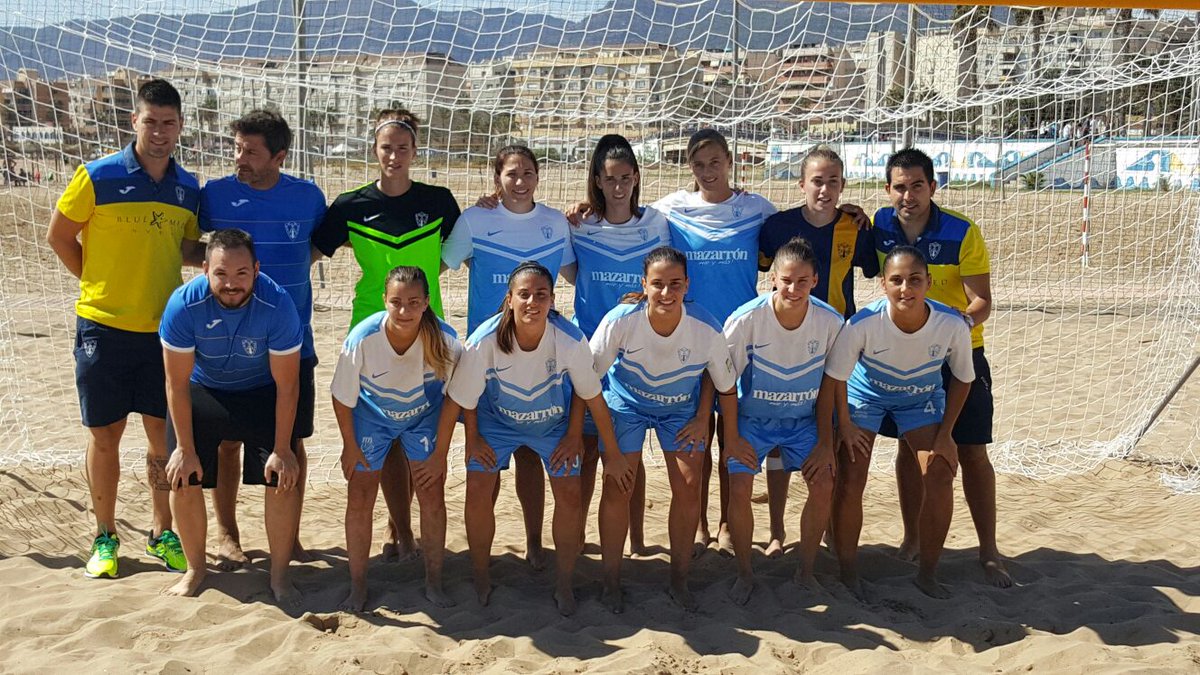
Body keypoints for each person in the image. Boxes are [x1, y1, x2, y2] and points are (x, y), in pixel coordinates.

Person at [46, 77, 202, 579]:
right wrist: (98, 284)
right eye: (150, 121)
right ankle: (105, 535)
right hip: (103, 329)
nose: (159, 132)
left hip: (164, 334)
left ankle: (162, 532)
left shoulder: (188, 188)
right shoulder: (97, 175)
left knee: (161, 438)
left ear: (180, 127)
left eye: (169, 123)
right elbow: (59, 236)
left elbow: (186, 249)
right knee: (106, 435)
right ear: (134, 121)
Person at [433, 261, 633, 616]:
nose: (532, 302)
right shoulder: (484, 341)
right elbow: (459, 400)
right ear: (509, 299)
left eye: (541, 294)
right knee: (478, 485)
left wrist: (587, 441)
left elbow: (591, 398)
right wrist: (458, 446)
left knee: (570, 495)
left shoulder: (569, 339)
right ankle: (481, 576)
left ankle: (564, 584)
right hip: (496, 423)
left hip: (552, 423)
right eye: (523, 294)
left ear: (553, 300)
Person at [313, 108, 462, 561]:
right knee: (384, 435)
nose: (394, 155)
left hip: (426, 329)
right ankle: (402, 532)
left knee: (418, 431)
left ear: (415, 151)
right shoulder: (350, 205)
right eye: (386, 148)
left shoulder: (439, 201)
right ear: (374, 152)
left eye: (403, 147)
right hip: (371, 329)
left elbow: (462, 249)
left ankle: (414, 533)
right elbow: (309, 253)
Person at [871, 148, 1010, 587]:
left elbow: (982, 303)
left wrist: (948, 329)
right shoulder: (879, 226)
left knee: (970, 450)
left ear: (933, 187)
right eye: (900, 186)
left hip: (959, 355)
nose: (908, 194)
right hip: (904, 359)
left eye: (917, 185)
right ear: (888, 190)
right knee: (909, 451)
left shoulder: (961, 230)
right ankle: (913, 538)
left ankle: (988, 549)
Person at [198, 109, 326, 570]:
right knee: (226, 442)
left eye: (250, 151)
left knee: (290, 441)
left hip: (293, 344)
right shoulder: (213, 195)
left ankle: (287, 538)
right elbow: (194, 246)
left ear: (279, 156)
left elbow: (319, 244)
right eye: (236, 148)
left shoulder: (308, 198)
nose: (240, 158)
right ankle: (227, 536)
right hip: (224, 343)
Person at [442, 145, 575, 570]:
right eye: (511, 174)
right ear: (496, 178)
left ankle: (535, 543)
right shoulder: (475, 220)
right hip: (486, 360)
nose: (520, 182)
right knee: (485, 460)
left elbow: (575, 272)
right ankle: (484, 554)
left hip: (540, 355)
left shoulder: (555, 223)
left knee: (531, 457)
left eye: (528, 173)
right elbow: (440, 265)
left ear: (539, 177)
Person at [159, 229, 304, 602]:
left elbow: (287, 387)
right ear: (205, 269)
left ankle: (279, 576)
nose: (231, 283)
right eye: (221, 273)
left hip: (261, 391)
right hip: (204, 389)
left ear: (256, 269)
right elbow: (175, 384)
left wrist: (283, 448)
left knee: (283, 475)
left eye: (242, 273)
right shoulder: (182, 305)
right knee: (181, 473)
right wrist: (184, 448)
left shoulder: (279, 305)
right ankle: (195, 570)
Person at [589, 246, 737, 611]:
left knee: (689, 487)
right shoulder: (622, 319)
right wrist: (604, 441)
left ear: (687, 284)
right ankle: (611, 582)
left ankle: (679, 580)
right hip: (627, 406)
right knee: (617, 484)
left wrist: (706, 420)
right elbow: (587, 381)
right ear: (645, 284)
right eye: (658, 285)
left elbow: (723, 385)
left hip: (680, 411)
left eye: (675, 284)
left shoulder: (705, 327)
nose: (666, 293)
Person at [825, 246, 973, 599]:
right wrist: (844, 424)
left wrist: (947, 434)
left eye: (914, 280)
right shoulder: (862, 324)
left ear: (929, 283)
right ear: (883, 285)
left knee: (939, 472)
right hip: (866, 395)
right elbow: (836, 377)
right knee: (852, 472)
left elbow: (963, 378)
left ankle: (927, 573)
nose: (906, 288)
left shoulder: (951, 324)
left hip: (920, 397)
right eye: (897, 281)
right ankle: (847, 573)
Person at [756, 146, 879, 558]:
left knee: (831, 434)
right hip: (785, 343)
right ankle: (775, 530)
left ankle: (824, 529)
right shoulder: (777, 226)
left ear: (843, 186)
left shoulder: (855, 227)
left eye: (833, 181)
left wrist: (862, 217)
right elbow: (759, 267)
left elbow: (875, 269)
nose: (824, 189)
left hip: (839, 343)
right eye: (817, 180)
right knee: (777, 438)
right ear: (802, 184)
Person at [331, 266, 460, 611]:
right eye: (396, 302)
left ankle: (434, 582)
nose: (404, 311)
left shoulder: (446, 340)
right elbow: (342, 396)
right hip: (372, 417)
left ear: (427, 302)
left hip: (423, 416)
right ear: (384, 301)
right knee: (359, 495)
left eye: (414, 302)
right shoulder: (361, 339)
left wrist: (440, 454)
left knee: (431, 492)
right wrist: (349, 445)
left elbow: (455, 400)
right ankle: (358, 586)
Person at [722, 237, 843, 604]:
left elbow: (830, 386)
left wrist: (826, 441)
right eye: (786, 280)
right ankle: (745, 572)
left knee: (823, 482)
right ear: (772, 277)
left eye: (802, 281)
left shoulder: (830, 322)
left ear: (815, 281)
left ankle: (805, 572)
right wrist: (730, 436)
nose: (793, 288)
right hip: (752, 419)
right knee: (740, 487)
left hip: (803, 421)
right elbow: (723, 382)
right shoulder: (746, 319)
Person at [570, 134, 668, 557]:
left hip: (636, 355)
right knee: (589, 450)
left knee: (630, 450)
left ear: (636, 178)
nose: (618, 186)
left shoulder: (657, 224)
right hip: (590, 352)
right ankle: (576, 536)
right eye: (610, 179)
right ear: (597, 180)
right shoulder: (579, 225)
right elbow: (574, 276)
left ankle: (638, 539)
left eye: (626, 177)